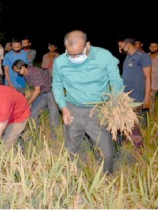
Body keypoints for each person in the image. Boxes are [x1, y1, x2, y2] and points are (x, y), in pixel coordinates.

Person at [52, 30, 124, 174]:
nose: (74, 58)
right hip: (73, 109)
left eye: (78, 54)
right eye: (70, 54)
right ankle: (70, 177)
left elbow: (116, 81)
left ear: (87, 45)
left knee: (107, 151)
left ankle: (106, 177)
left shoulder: (103, 56)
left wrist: (113, 104)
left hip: (98, 109)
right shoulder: (60, 62)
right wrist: (63, 108)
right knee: (71, 148)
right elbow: (57, 86)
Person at [117, 34, 152, 148]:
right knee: (124, 122)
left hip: (136, 96)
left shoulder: (143, 57)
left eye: (122, 46)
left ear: (128, 45)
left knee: (132, 124)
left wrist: (146, 97)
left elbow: (148, 77)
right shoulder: (127, 58)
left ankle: (139, 149)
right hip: (126, 97)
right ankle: (127, 145)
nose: (120, 49)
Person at [12, 59, 60, 140]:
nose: (17, 73)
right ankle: (35, 133)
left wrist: (28, 102)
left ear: (23, 67)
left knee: (53, 116)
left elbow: (37, 90)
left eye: (18, 70)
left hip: (52, 93)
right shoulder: (26, 74)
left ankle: (55, 138)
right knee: (33, 112)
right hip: (43, 93)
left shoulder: (34, 72)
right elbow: (35, 89)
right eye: (16, 71)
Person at [148, 41, 158, 114]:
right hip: (144, 84)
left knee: (151, 102)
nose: (153, 48)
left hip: (154, 85)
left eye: (155, 46)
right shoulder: (145, 57)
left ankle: (151, 117)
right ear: (149, 47)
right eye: (151, 46)